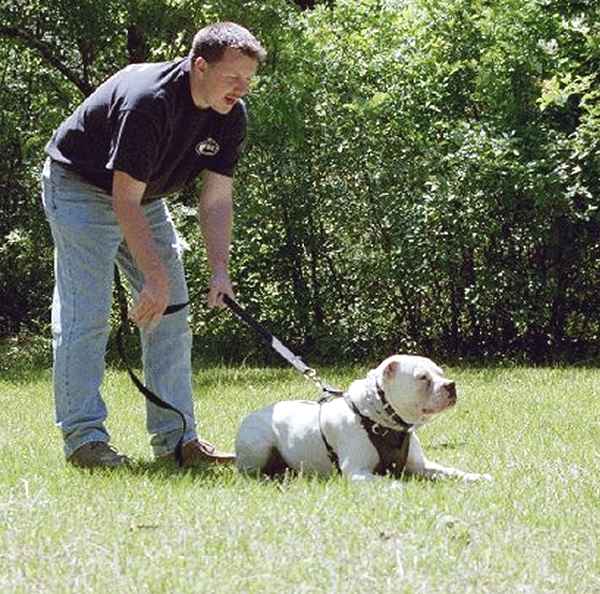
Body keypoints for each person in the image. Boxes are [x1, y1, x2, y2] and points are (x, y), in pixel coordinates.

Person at [41, 22, 267, 469]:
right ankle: (85, 442)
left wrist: (219, 270)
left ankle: (178, 442)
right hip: (81, 187)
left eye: (248, 79)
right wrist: (154, 277)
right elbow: (122, 197)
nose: (241, 88)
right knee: (86, 316)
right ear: (200, 66)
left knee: (172, 313)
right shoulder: (151, 102)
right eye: (232, 77)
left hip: (143, 196)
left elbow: (217, 198)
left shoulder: (231, 116)